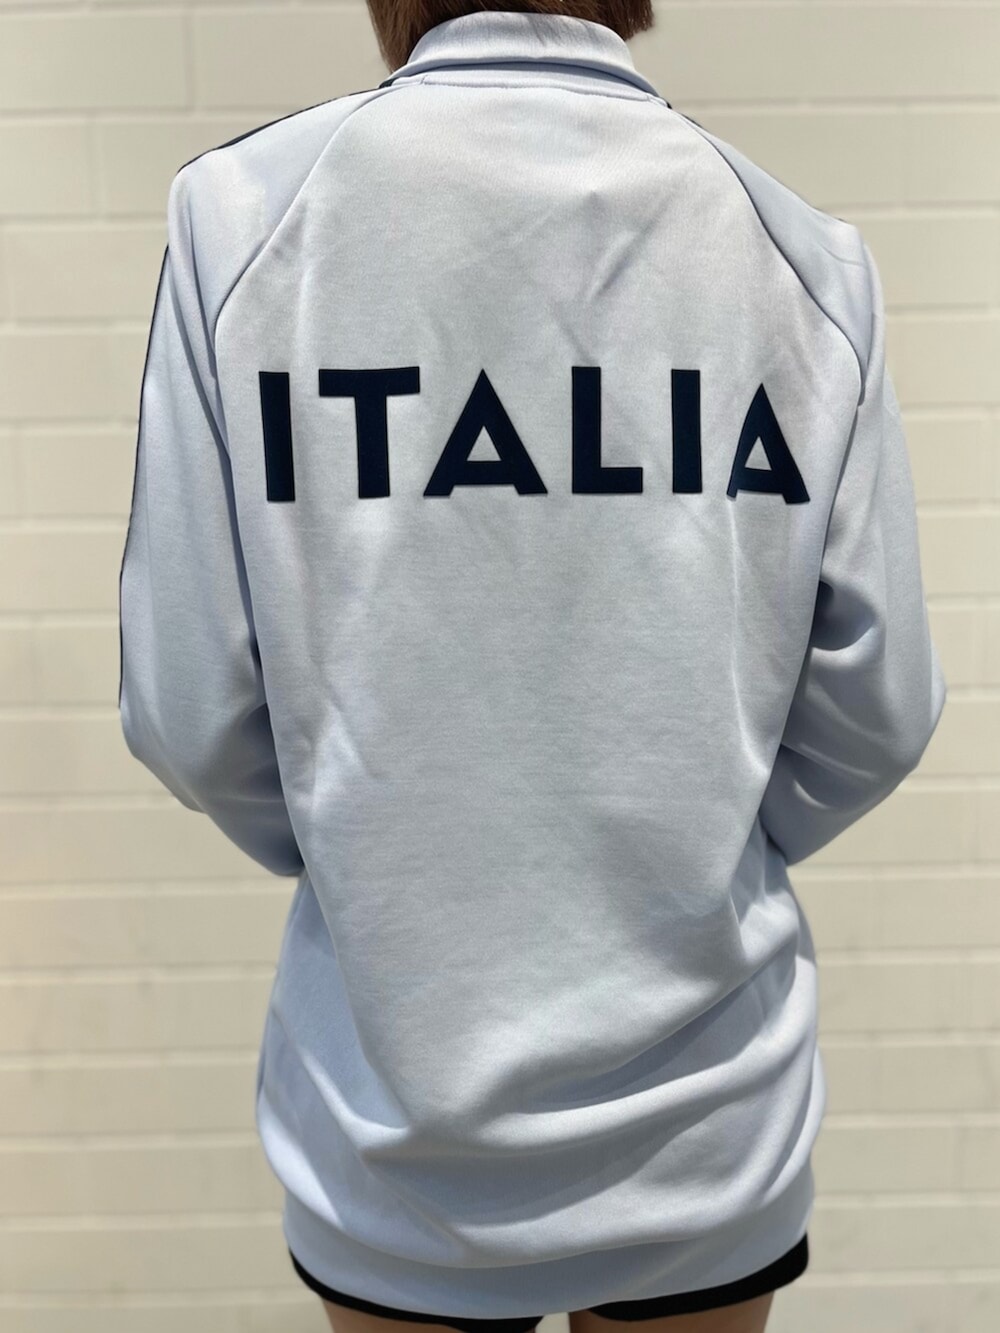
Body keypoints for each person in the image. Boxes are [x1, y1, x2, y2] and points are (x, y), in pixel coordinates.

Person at [117, 2, 948, 1331]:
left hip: (395, 1129)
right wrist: (699, 842)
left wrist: (365, 849)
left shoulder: (243, 222)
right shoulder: (800, 258)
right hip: (706, 1132)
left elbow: (185, 706)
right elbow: (879, 709)